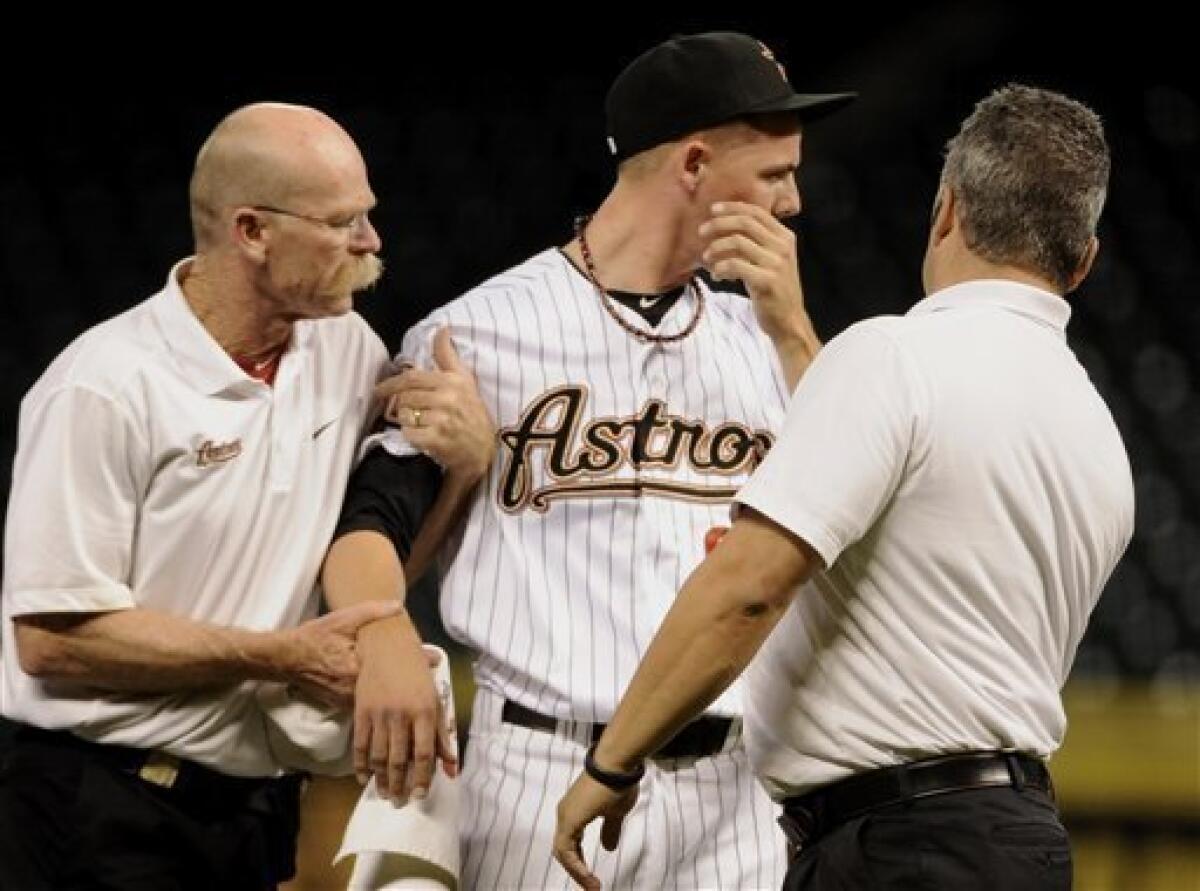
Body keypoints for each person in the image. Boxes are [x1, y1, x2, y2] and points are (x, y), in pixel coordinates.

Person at [553, 83, 1134, 891]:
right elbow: (907, 485)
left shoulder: (894, 356)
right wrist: (792, 332)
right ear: (1083, 259)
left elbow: (748, 590)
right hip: (1018, 838)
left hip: (899, 845)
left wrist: (613, 761)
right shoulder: (1094, 428)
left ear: (946, 211)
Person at [326, 31, 854, 890]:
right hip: (539, 770)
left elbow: (854, 512)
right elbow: (370, 525)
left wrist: (792, 329)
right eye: (772, 175)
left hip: (734, 789)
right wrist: (382, 624)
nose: (792, 202)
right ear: (692, 165)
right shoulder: (482, 332)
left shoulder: (767, 340)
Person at [0, 102, 492, 890]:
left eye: (369, 214)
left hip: (255, 809)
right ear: (252, 231)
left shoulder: (347, 347)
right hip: (101, 806)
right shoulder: (102, 385)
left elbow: (371, 570)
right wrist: (277, 655)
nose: (372, 243)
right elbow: (53, 641)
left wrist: (465, 467)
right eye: (342, 223)